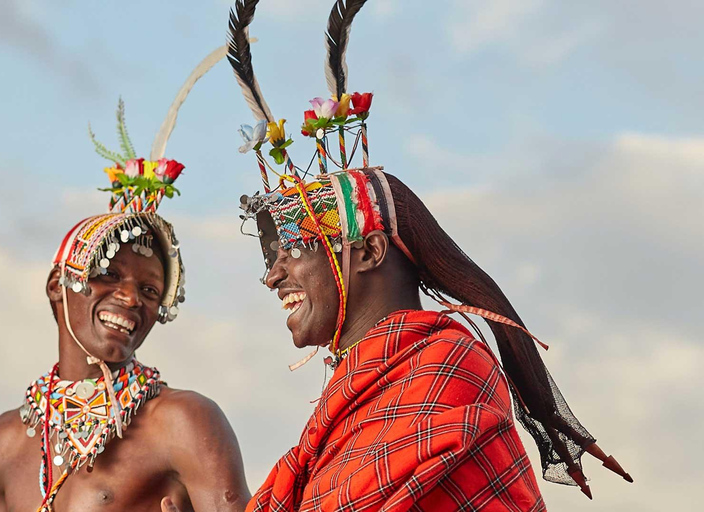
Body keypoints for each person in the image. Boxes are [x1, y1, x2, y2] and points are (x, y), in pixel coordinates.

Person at [226, 0, 633, 510]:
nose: (272, 277)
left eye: (296, 249)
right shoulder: (344, 407)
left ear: (371, 251)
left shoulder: (449, 369)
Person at [0, 47, 251, 512]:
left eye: (149, 290)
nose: (129, 298)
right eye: (109, 275)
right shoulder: (0, 446)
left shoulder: (185, 423)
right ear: (56, 286)